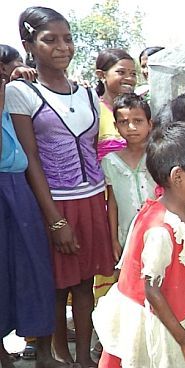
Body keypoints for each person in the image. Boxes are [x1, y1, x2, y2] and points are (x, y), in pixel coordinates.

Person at [5, 7, 116, 367]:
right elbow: (31, 159)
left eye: (67, 39)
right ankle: (54, 356)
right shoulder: (21, 93)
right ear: (29, 45)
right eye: (49, 40)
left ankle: (84, 356)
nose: (62, 47)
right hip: (53, 203)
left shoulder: (86, 94)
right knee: (55, 285)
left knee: (85, 285)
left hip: (91, 200)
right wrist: (54, 220)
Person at [93, 122, 185, 368]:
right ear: (178, 177)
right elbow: (151, 291)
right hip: (150, 324)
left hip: (171, 317)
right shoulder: (160, 230)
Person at [1, 50, 68, 368]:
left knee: (36, 266)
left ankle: (43, 351)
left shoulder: (22, 94)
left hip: (21, 186)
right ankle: (2, 353)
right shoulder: (5, 92)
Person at [93, 93, 156, 299]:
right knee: (131, 288)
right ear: (116, 125)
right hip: (126, 235)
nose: (131, 127)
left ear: (150, 123)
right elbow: (112, 203)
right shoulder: (110, 162)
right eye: (124, 122)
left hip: (158, 232)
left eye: (138, 121)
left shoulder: (158, 157)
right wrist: (113, 239)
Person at [95, 48, 137, 161]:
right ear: (101, 75)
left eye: (133, 74)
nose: (129, 78)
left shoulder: (139, 110)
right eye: (121, 72)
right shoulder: (93, 110)